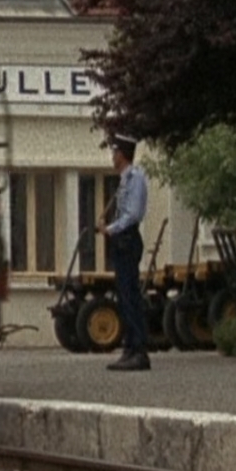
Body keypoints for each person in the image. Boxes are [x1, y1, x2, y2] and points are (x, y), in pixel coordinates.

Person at [95, 134, 151, 371]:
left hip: (127, 239)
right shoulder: (124, 180)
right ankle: (130, 348)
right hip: (121, 241)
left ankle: (138, 350)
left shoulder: (135, 178)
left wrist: (110, 229)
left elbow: (133, 214)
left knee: (130, 296)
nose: (112, 156)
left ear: (122, 154)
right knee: (124, 295)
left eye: (114, 152)